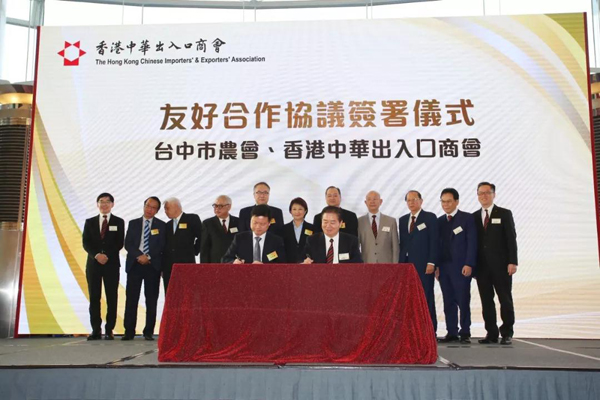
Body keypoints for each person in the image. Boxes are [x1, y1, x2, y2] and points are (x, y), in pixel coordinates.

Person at [473, 182, 518, 345]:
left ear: (494, 194)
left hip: (502, 266)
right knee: (486, 301)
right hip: (482, 268)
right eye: (480, 193)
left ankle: (507, 332)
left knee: (505, 299)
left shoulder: (504, 213)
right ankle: (491, 333)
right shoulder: (474, 217)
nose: (484, 196)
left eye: (487, 192)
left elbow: (511, 239)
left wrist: (513, 261)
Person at [82, 193, 125, 341]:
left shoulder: (119, 222)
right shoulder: (90, 222)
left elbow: (119, 242)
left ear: (112, 204)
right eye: (101, 201)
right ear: (97, 204)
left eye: (107, 202)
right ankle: (95, 329)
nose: (104, 204)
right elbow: (86, 242)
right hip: (93, 265)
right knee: (94, 297)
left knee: (112, 297)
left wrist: (105, 255)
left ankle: (109, 329)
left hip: (111, 264)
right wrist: (97, 255)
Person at [436, 188, 477, 344]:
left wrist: (469, 264)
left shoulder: (467, 218)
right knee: (448, 301)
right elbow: (437, 245)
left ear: (456, 202)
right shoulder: (439, 221)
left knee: (463, 300)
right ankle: (451, 332)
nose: (446, 204)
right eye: (443, 201)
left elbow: (472, 243)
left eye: (449, 201)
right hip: (444, 268)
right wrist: (437, 266)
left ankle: (465, 332)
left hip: (461, 267)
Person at [122, 196, 166, 341]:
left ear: (157, 211)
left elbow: (161, 246)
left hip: (152, 266)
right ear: (144, 206)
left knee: (151, 299)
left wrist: (148, 256)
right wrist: (139, 256)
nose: (149, 209)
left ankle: (148, 331)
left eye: (153, 208)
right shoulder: (133, 223)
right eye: (148, 206)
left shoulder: (161, 225)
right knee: (131, 299)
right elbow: (128, 244)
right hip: (135, 264)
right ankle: (129, 331)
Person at [399, 190, 439, 334]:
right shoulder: (403, 220)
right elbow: (403, 243)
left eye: (414, 199)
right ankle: (413, 330)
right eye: (408, 200)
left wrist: (432, 262)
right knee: (409, 298)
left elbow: (435, 241)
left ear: (421, 201)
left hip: (424, 265)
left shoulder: (430, 217)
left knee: (426, 297)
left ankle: (430, 330)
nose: (411, 203)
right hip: (407, 265)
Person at [222, 204, 287, 263]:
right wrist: (233, 262)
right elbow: (225, 259)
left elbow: (282, 264)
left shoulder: (276, 241)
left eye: (262, 224)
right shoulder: (239, 238)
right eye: (255, 223)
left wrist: (265, 267)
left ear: (269, 223)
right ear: (250, 221)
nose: (258, 227)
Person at [163, 197, 202, 292]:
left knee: (187, 293)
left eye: (167, 208)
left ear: (176, 207)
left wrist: (194, 251)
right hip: (169, 267)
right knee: (170, 294)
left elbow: (201, 237)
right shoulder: (167, 225)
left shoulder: (192, 218)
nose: (165, 212)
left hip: (186, 264)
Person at [357, 190, 399, 263]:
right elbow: (356, 246)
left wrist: (395, 265)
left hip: (387, 264)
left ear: (380, 201)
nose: (372, 202)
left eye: (375, 199)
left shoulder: (391, 221)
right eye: (369, 199)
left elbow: (395, 246)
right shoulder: (359, 221)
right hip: (366, 263)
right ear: (365, 202)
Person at [200, 195, 240, 263]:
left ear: (229, 207)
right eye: (215, 206)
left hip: (234, 263)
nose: (216, 209)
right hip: (215, 264)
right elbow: (204, 249)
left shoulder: (238, 222)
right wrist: (204, 267)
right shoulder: (207, 224)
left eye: (220, 206)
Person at [282, 197, 315, 263]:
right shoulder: (283, 229)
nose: (297, 212)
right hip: (288, 264)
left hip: (306, 264)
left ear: (305, 211)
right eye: (294, 209)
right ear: (290, 211)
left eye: (300, 209)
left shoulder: (312, 228)